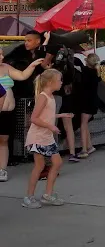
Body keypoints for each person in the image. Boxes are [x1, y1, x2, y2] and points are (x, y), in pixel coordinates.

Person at [23, 68, 73, 209]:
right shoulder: (43, 96)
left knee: (57, 163)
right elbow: (34, 118)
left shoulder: (50, 97)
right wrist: (51, 127)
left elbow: (47, 116)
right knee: (39, 166)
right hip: (38, 137)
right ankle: (29, 197)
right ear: (51, 82)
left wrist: (61, 116)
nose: (61, 83)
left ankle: (47, 195)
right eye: (60, 80)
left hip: (47, 138)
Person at [0, 48, 44, 182]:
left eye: (2, 53)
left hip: (8, 111)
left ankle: (2, 169)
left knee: (4, 140)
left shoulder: (6, 67)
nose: (2, 56)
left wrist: (32, 65)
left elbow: (22, 75)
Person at [76, 53, 100, 159]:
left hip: (86, 102)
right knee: (85, 124)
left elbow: (77, 66)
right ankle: (89, 146)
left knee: (83, 125)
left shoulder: (85, 71)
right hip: (93, 101)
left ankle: (84, 149)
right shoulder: (96, 73)